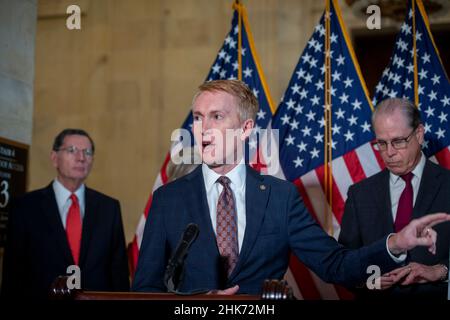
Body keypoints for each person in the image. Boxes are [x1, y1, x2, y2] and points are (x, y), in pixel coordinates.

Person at [132, 80, 449, 295]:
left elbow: (336, 265)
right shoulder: (168, 199)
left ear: (245, 129)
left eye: (217, 116)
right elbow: (145, 289)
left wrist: (395, 243)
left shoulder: (280, 197)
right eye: (199, 118)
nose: (204, 128)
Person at [339, 98, 450, 299]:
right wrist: (368, 282)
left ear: (419, 134)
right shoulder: (359, 194)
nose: (389, 153)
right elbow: (345, 264)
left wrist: (441, 271)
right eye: (381, 143)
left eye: (398, 141)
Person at [1, 129, 130, 298]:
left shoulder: (109, 208)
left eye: (88, 152)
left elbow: (118, 275)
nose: (81, 158)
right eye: (72, 151)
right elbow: (13, 274)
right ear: (54, 158)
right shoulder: (25, 207)